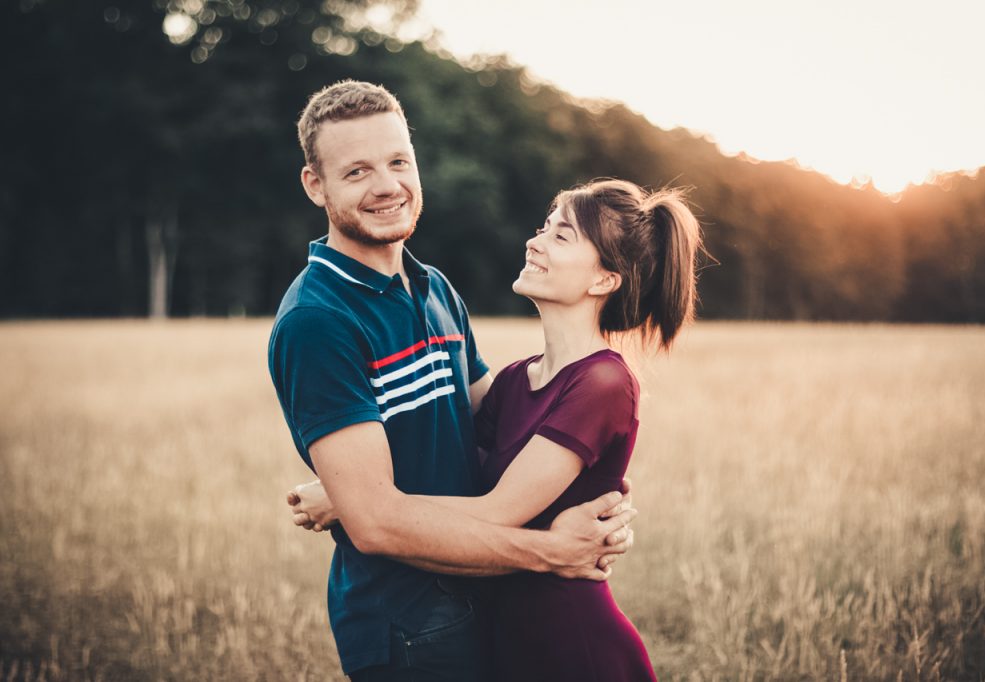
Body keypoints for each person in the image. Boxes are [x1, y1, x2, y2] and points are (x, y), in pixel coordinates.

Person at [268, 80, 636, 682]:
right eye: (356, 171)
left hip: (487, 600)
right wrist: (555, 552)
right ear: (316, 185)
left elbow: (496, 423)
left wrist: (594, 488)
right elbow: (379, 525)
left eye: (398, 162)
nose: (387, 185)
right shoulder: (319, 321)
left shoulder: (433, 287)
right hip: (409, 626)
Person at [292, 178, 704, 680]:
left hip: (569, 644)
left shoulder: (604, 382)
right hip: (501, 637)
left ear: (603, 281)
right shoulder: (514, 380)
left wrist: (348, 503)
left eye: (562, 236)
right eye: (543, 227)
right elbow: (456, 465)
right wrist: (352, 487)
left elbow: (498, 511)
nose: (535, 241)